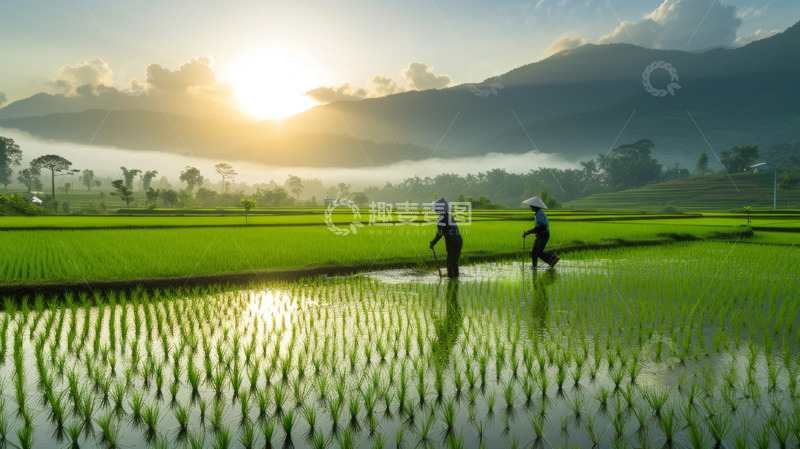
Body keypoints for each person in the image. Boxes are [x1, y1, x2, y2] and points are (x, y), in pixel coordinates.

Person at [522, 196, 560, 268]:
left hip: (544, 235)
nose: (530, 207)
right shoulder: (537, 213)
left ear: (535, 206)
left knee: (539, 252)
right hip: (540, 235)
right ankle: (534, 266)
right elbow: (539, 227)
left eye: (532, 206)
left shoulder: (539, 213)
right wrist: (530, 232)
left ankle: (553, 259)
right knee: (534, 253)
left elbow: (541, 227)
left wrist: (529, 232)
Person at [429, 197, 463, 278]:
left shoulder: (441, 219)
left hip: (451, 241)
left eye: (436, 209)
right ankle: (455, 278)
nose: (435, 210)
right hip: (459, 240)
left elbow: (440, 233)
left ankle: (450, 278)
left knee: (449, 261)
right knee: (455, 262)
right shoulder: (449, 216)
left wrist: (433, 243)